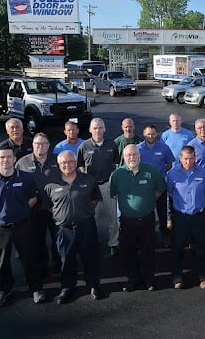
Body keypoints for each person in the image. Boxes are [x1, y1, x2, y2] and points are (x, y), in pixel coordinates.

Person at [0, 146, 45, 307]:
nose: (5, 160)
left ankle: (36, 288)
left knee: (29, 257)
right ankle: (3, 290)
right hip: (0, 228)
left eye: (9, 157)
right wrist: (3, 214)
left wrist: (20, 212)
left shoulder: (26, 178)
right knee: (2, 261)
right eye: (2, 157)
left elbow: (33, 199)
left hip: (23, 225)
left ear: (14, 159)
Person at [44, 151, 103, 304]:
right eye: (64, 162)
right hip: (64, 230)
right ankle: (67, 287)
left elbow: (95, 199)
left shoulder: (88, 180)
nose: (67, 165)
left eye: (70, 162)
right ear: (59, 165)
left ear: (76, 163)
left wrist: (83, 213)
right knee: (66, 259)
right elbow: (49, 206)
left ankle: (93, 284)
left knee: (91, 257)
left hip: (86, 226)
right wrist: (64, 216)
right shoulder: (51, 183)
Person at [110, 144, 166, 291]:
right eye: (128, 155)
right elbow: (114, 194)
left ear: (139, 156)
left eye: (134, 154)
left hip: (147, 220)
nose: (132, 157)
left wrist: (146, 203)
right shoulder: (117, 174)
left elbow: (160, 189)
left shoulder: (150, 171)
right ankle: (133, 279)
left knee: (148, 250)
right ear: (124, 157)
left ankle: (149, 279)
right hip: (127, 221)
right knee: (128, 251)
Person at [15, 133, 60, 278]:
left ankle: (59, 265)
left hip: (55, 209)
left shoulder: (57, 160)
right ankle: (43, 267)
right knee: (38, 240)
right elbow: (16, 185)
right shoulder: (22, 163)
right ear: (32, 145)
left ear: (48, 145)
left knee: (58, 239)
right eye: (37, 144)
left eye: (44, 143)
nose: (40, 146)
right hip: (34, 210)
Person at [166, 146, 205, 289]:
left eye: (191, 158)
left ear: (195, 158)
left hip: (198, 216)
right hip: (181, 217)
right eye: (185, 158)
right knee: (178, 248)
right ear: (180, 158)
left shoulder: (203, 172)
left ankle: (203, 275)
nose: (188, 161)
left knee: (201, 248)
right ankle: (177, 276)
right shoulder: (172, 174)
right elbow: (171, 193)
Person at [77, 118, 120, 256]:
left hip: (108, 185)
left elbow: (116, 162)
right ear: (90, 130)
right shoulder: (84, 146)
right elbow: (80, 164)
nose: (97, 130)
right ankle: (94, 241)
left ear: (104, 129)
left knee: (112, 217)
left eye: (100, 127)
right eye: (95, 128)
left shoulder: (111, 144)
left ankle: (114, 243)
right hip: (91, 188)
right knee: (92, 217)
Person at [138, 125, 175, 246]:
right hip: (144, 187)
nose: (151, 136)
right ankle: (147, 237)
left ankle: (165, 235)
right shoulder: (139, 149)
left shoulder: (164, 148)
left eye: (153, 134)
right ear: (144, 134)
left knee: (162, 212)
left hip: (160, 186)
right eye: (148, 134)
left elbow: (169, 164)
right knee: (146, 213)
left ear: (156, 134)